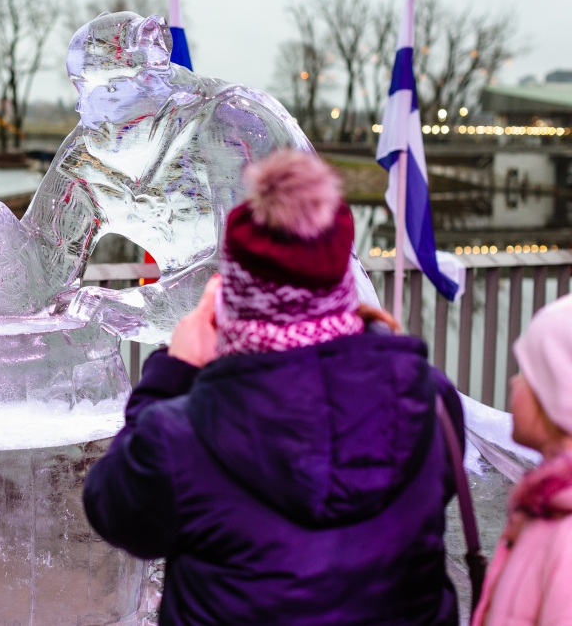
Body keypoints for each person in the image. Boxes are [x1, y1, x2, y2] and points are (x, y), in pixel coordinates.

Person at [83, 151, 464, 625]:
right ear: (340, 285)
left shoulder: (179, 435)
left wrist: (173, 372)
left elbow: (116, 512)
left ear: (232, 294)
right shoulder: (428, 399)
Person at [472, 295, 572, 626]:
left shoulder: (565, 535)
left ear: (559, 394)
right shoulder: (547, 504)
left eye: (526, 373)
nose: (514, 382)